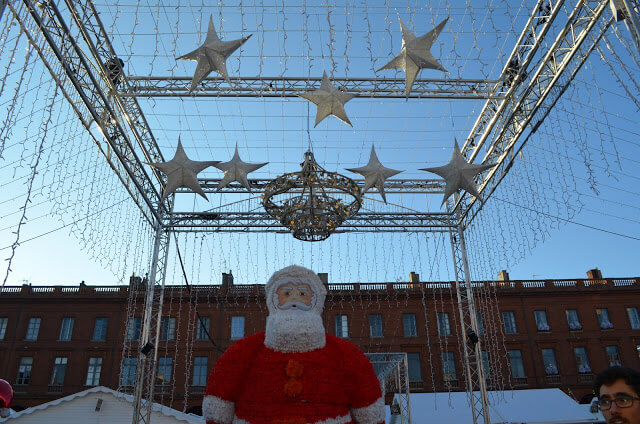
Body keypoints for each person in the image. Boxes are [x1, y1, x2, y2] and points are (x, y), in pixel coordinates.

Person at [203, 265, 384, 424]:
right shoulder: (245, 350)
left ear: (317, 301)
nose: (295, 299)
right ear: (272, 300)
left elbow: (368, 404)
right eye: (286, 293)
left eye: (303, 293)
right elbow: (220, 399)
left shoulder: (344, 353)